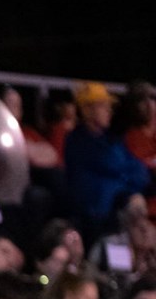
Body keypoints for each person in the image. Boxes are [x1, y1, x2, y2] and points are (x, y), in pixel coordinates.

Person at [64, 82, 150, 241]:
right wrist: (128, 193)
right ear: (87, 110)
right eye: (103, 106)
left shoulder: (112, 140)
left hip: (118, 204)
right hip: (97, 213)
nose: (109, 110)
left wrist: (130, 192)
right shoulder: (77, 142)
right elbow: (112, 170)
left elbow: (138, 169)